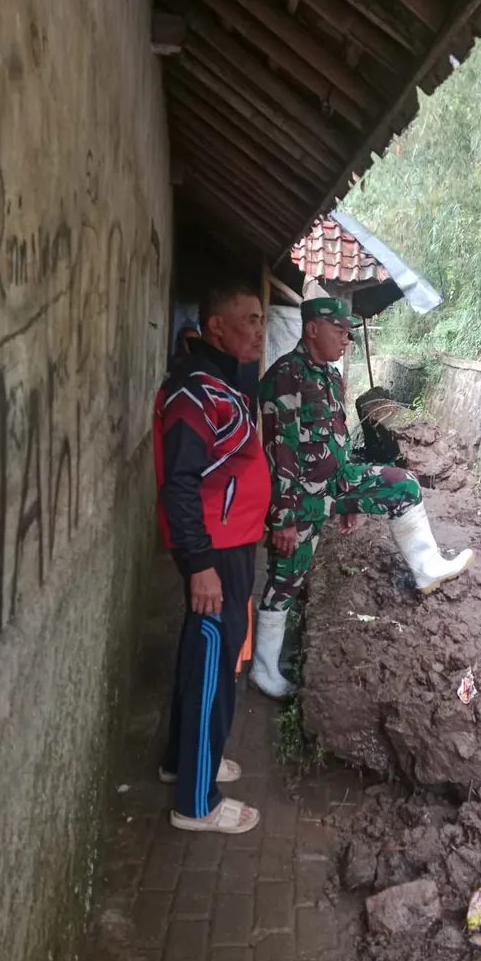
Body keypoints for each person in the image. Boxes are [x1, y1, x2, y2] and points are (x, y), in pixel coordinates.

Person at [250, 296, 475, 699]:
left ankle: (426, 567)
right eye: (339, 329)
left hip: (336, 484)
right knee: (286, 580)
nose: (346, 339)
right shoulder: (287, 375)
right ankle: (264, 670)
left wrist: (350, 501)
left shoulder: (331, 376)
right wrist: (282, 518)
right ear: (312, 328)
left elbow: (335, 441)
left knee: (402, 485)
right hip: (299, 499)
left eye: (348, 332)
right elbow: (278, 452)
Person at [153, 282, 269, 834]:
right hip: (214, 553)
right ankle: (196, 802)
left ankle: (183, 760)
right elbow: (178, 485)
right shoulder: (194, 393)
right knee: (212, 670)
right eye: (249, 319)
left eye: (262, 320)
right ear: (217, 327)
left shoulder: (220, 383)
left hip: (229, 547)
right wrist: (199, 563)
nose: (259, 331)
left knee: (203, 658)